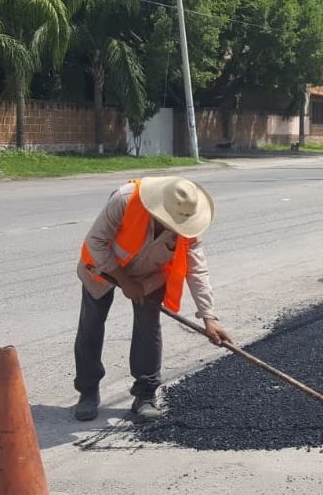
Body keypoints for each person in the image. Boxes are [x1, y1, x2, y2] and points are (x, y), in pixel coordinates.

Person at [74, 176, 233, 423]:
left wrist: (208, 317)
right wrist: (125, 281)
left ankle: (145, 394)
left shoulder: (188, 222)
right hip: (102, 268)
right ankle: (88, 390)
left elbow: (197, 270)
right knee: (91, 326)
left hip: (149, 275)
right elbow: (95, 241)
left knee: (148, 328)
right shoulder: (125, 200)